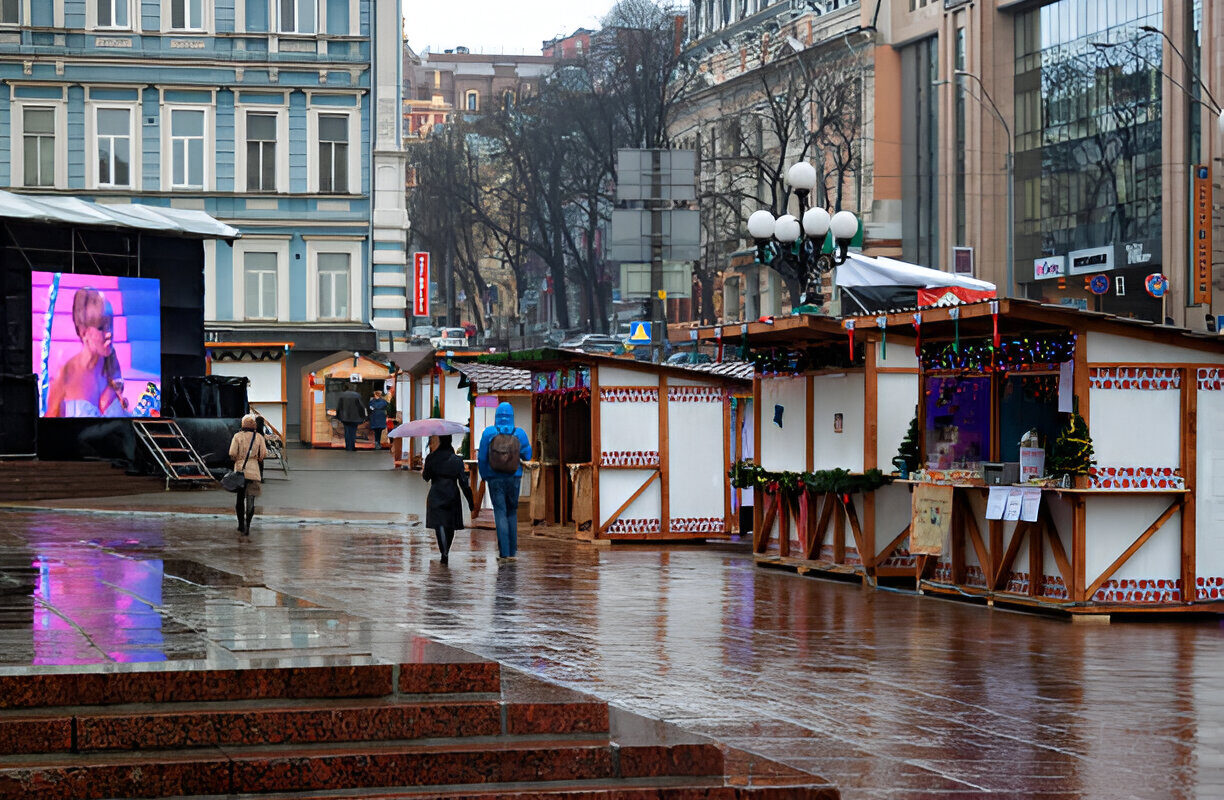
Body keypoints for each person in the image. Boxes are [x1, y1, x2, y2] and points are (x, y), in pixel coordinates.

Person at [45, 287, 129, 418]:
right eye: (101, 327)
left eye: (110, 324)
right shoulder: (64, 375)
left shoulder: (111, 362)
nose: (109, 333)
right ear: (84, 332)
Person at [477, 402, 531, 561]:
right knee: (512, 512)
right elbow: (527, 455)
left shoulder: (489, 433)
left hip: (495, 478)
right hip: (514, 477)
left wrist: (485, 475)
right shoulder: (519, 433)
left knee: (499, 512)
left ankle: (504, 552)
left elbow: (481, 457)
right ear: (512, 416)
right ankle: (513, 551)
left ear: (496, 416)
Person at [422, 434, 474, 564]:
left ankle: (443, 552)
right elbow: (464, 482)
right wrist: (471, 501)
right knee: (450, 525)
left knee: (439, 523)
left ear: (439, 440)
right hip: (452, 493)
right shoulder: (456, 460)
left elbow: (426, 477)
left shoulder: (432, 458)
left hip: (436, 492)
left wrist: (429, 460)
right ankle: (446, 551)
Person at [228, 414, 268, 534]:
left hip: (240, 470)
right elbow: (263, 454)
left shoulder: (237, 436)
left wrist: (238, 459)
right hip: (254, 471)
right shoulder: (259, 437)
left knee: (240, 499)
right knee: (251, 499)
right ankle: (248, 525)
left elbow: (232, 453)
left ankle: (240, 525)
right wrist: (256, 459)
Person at [335, 386, 367, 451]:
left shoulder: (342, 395)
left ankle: (347, 446)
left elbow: (339, 407)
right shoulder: (357, 395)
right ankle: (352, 446)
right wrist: (363, 417)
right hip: (355, 417)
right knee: (353, 432)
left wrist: (338, 416)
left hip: (345, 417)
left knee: (347, 432)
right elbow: (361, 407)